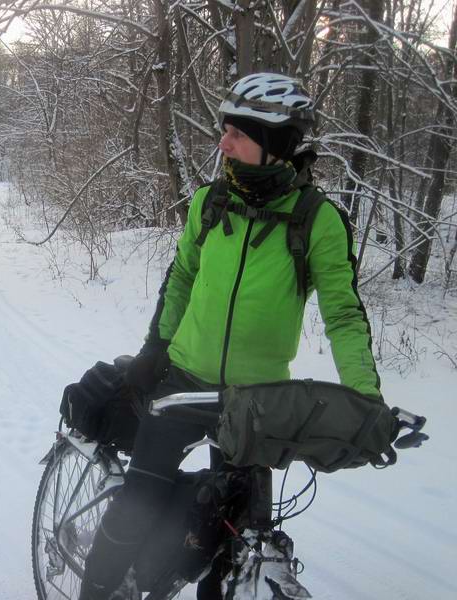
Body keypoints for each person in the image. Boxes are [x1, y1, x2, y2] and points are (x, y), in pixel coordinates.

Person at [78, 73, 382, 600]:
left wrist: (366, 398)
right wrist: (156, 348)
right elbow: (180, 280)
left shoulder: (317, 220)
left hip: (257, 402)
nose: (223, 143)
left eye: (237, 134)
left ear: (273, 144)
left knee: (231, 534)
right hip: (184, 382)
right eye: (224, 131)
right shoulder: (209, 203)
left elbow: (344, 314)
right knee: (138, 503)